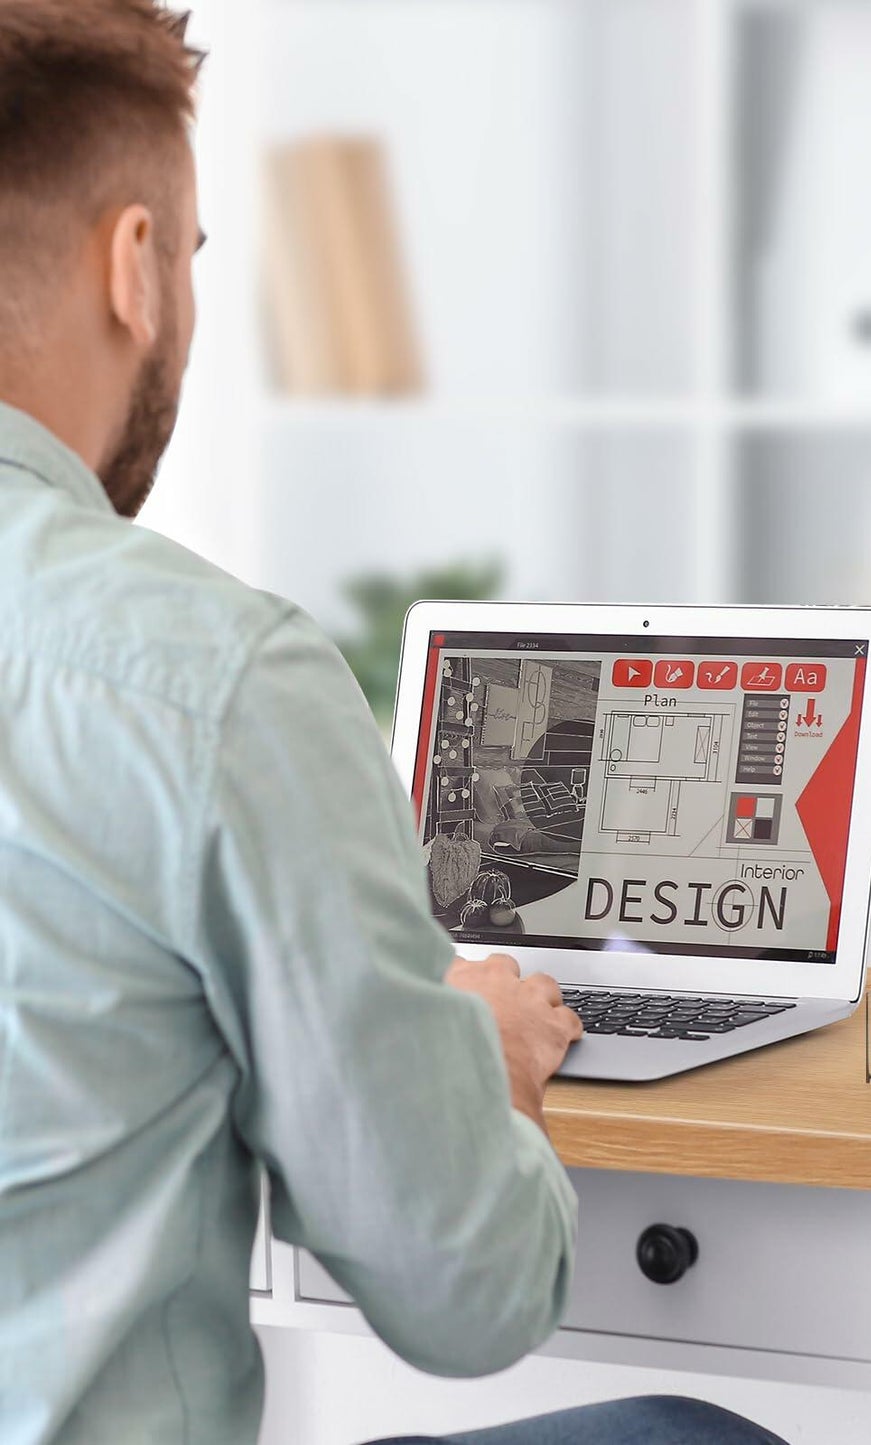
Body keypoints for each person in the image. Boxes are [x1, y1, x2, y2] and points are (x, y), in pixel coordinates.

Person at [0, 6, 787, 1445]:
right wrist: (475, 1055)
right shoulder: (205, 677)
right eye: (187, 254)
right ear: (133, 268)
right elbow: (466, 1293)